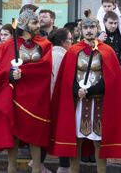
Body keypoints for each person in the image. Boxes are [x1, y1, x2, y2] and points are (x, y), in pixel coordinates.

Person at [50, 10, 121, 173]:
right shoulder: (73, 51)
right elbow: (67, 78)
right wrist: (76, 90)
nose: (89, 30)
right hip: (79, 103)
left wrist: (92, 90)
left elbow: (112, 79)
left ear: (97, 29)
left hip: (99, 102)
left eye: (92, 27)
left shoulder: (107, 50)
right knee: (76, 141)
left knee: (99, 141)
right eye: (85, 27)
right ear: (81, 30)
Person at [0, 6, 52, 173]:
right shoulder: (10, 45)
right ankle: (11, 168)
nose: (38, 25)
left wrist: (25, 72)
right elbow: (2, 70)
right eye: (35, 22)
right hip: (16, 95)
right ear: (24, 24)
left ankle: (36, 168)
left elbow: (45, 68)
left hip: (37, 96)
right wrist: (10, 74)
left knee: (36, 134)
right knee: (13, 132)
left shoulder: (44, 44)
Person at [47, 28, 73, 173]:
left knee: (51, 132)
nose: (71, 42)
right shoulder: (63, 55)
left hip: (49, 98)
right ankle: (64, 166)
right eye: (69, 39)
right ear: (63, 42)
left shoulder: (49, 53)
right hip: (59, 99)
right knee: (62, 132)